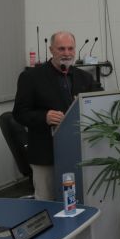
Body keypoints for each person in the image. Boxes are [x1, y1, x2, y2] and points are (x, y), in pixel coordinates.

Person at [13, 31, 101, 200]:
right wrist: (44, 117)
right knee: (47, 202)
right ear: (51, 50)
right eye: (61, 49)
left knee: (78, 201)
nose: (67, 53)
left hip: (79, 152)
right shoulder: (31, 77)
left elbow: (99, 104)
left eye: (70, 48)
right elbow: (19, 113)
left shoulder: (85, 78)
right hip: (45, 154)